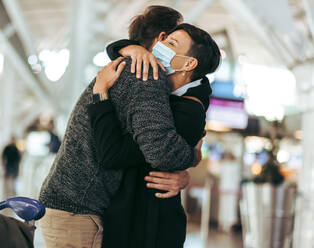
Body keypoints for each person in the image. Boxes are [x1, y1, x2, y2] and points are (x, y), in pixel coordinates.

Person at [39, 6, 200, 247]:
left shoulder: (121, 66)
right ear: (160, 39)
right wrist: (193, 156)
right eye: (172, 40)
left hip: (68, 205)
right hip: (79, 211)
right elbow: (159, 150)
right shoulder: (145, 74)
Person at [91, 23, 220, 247]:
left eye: (170, 44)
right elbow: (124, 47)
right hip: (133, 219)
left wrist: (100, 96)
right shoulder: (169, 92)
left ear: (189, 63)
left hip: (147, 228)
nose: (159, 46)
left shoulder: (188, 111)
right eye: (163, 40)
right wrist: (130, 49)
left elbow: (115, 154)